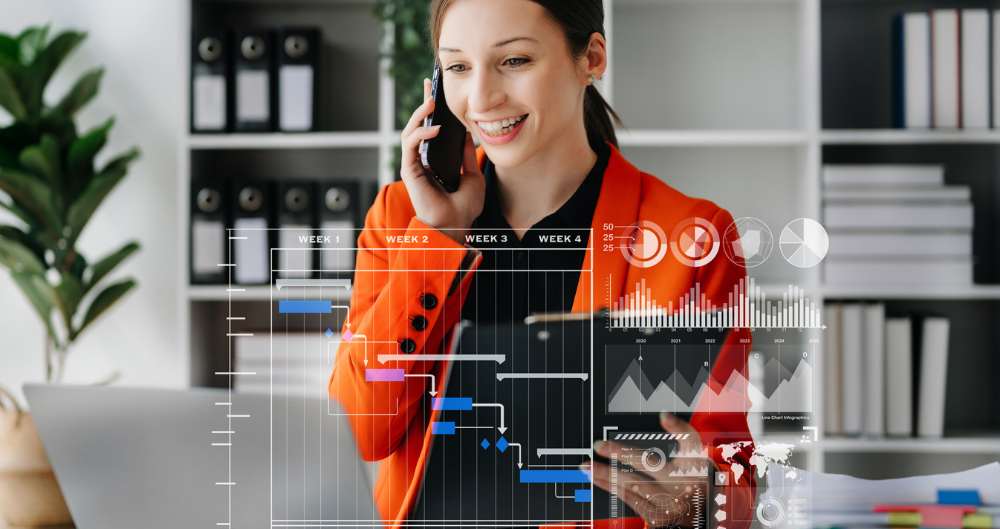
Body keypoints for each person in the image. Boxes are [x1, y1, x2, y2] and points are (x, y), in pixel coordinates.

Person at [328, 0, 756, 527]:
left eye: (515, 61)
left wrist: (697, 505)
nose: (481, 97)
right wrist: (437, 239)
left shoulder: (690, 237)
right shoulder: (400, 218)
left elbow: (732, 475)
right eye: (458, 67)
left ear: (591, 58)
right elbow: (360, 430)